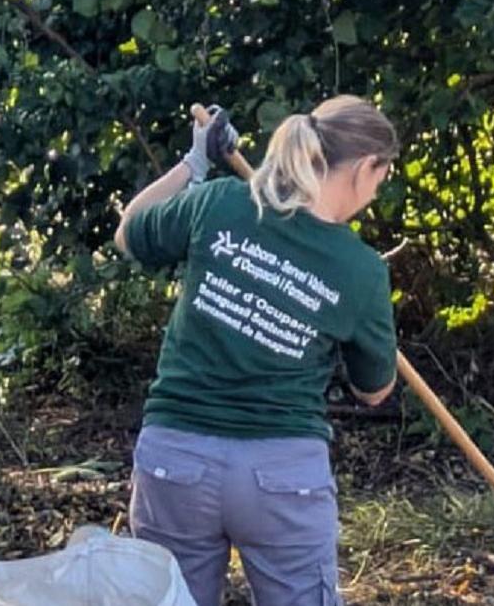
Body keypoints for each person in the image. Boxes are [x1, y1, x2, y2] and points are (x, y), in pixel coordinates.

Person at [113, 95, 400, 605]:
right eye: (382, 177)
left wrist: (193, 163)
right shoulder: (361, 270)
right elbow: (374, 390)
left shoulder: (220, 202)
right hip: (282, 481)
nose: (377, 191)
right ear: (363, 168)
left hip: (175, 463)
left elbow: (130, 231)